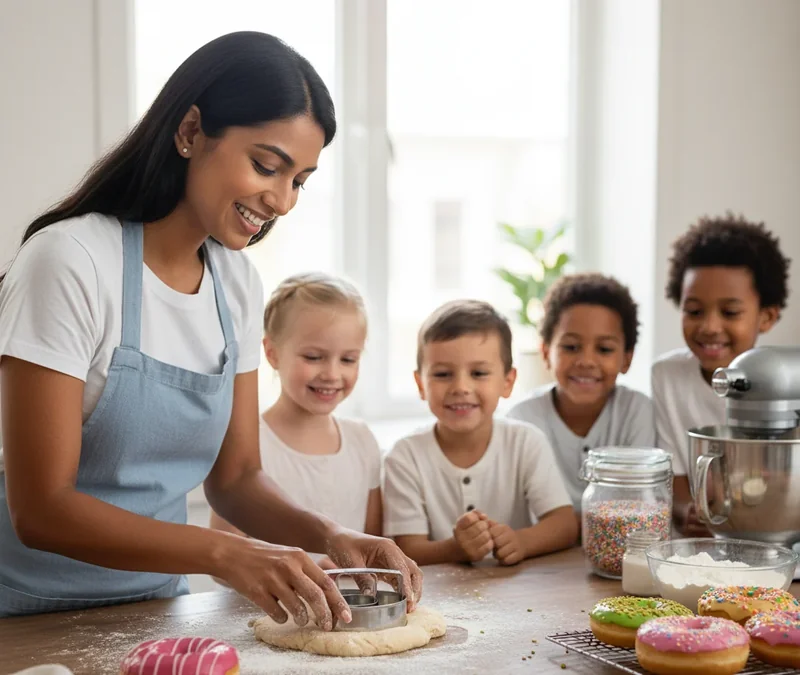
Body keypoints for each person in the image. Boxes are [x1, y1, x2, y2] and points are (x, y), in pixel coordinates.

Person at [0, 31, 420, 623]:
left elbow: (237, 480)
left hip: (158, 613)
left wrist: (331, 536)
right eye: (266, 166)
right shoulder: (70, 261)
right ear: (191, 131)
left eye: (299, 180)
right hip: (27, 616)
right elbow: (41, 508)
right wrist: (226, 554)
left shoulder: (236, 284)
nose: (282, 200)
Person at [383, 300, 577, 566]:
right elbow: (408, 548)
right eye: (442, 374)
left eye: (478, 373)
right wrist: (454, 549)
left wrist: (522, 541)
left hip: (520, 593)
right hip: (439, 598)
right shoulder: (404, 457)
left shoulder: (525, 442)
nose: (461, 387)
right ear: (420, 384)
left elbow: (564, 524)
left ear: (507, 382)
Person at [210, 273, 382, 567]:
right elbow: (225, 559)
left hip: (348, 609)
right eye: (314, 357)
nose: (332, 373)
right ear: (272, 353)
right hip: (262, 611)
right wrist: (304, 572)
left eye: (348, 359)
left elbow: (374, 545)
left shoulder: (362, 440)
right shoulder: (248, 443)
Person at [651, 213, 789, 534]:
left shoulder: (785, 381)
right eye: (694, 311)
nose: (709, 327)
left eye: (730, 312)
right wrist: (688, 510)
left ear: (766, 317)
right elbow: (675, 474)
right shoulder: (667, 376)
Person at [507, 273, 654, 514]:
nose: (586, 361)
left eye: (604, 349)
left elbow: (635, 503)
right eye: (571, 347)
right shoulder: (522, 420)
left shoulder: (636, 410)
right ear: (545, 352)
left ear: (627, 358)